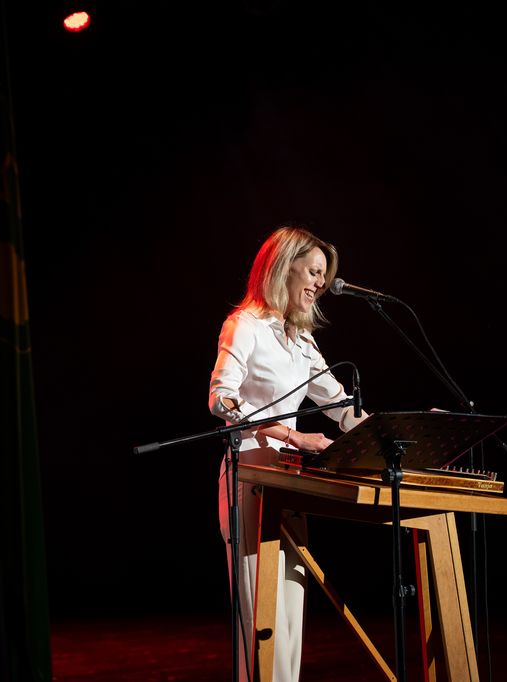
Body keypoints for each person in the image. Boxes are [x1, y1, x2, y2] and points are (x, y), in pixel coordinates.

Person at [208, 226, 367, 682]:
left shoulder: (301, 340)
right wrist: (293, 436)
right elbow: (221, 399)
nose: (320, 283)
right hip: (251, 474)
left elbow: (342, 408)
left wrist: (397, 435)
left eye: (323, 276)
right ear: (283, 267)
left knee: (291, 616)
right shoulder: (245, 325)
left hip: (289, 480)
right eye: (314, 271)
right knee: (261, 616)